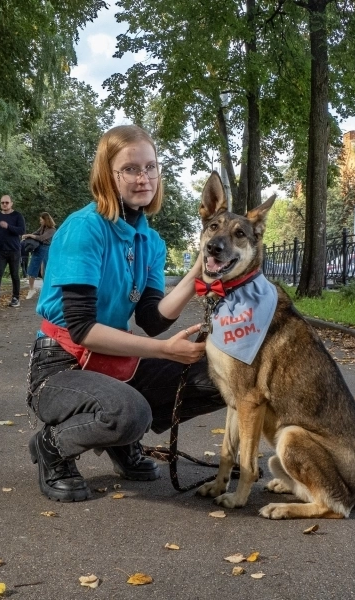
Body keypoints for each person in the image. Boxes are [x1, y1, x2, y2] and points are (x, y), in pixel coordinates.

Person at [26, 124, 224, 503]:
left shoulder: (150, 240)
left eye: (151, 167)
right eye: (131, 169)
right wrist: (166, 351)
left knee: (221, 377)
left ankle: (121, 436)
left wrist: (197, 269)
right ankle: (53, 447)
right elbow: (82, 329)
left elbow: (151, 318)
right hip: (61, 365)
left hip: (117, 363)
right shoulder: (85, 228)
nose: (144, 177)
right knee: (129, 411)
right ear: (107, 175)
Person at [0, 195, 25, 308]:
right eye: (2, 202)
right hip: (0, 250)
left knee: (14, 275)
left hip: (14, 250)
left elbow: (22, 230)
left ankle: (15, 298)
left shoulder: (17, 216)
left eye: (7, 202)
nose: (4, 204)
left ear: (11, 203)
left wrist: (8, 226)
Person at [23, 212, 56, 300]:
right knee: (32, 268)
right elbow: (36, 233)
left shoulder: (52, 230)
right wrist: (27, 236)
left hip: (46, 249)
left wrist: (30, 235)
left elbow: (41, 238)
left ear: (45, 220)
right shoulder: (42, 227)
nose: (40, 222)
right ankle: (31, 289)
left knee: (46, 270)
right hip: (38, 248)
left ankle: (48, 290)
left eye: (41, 220)